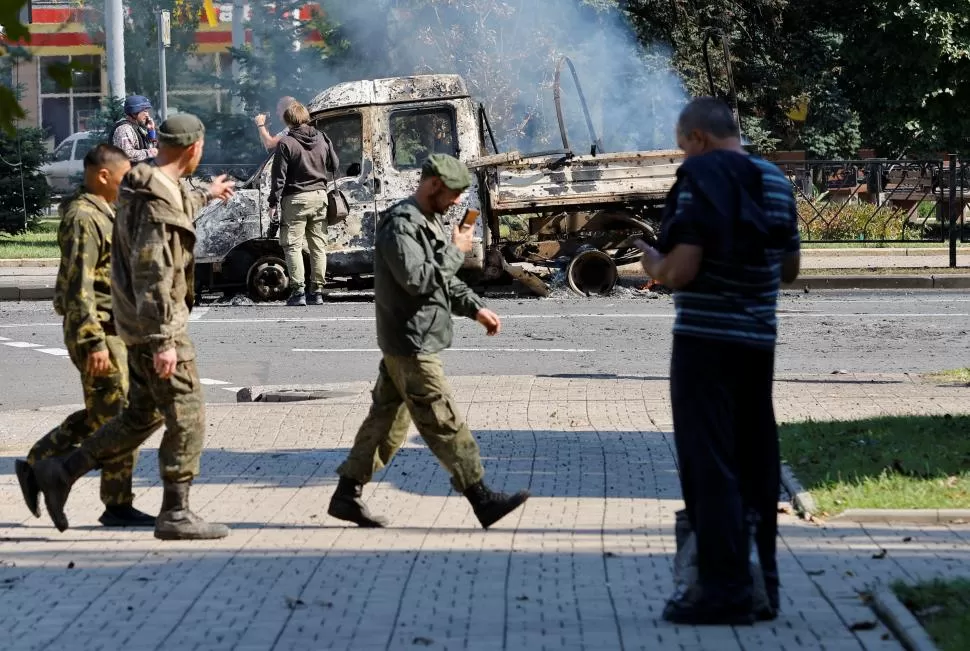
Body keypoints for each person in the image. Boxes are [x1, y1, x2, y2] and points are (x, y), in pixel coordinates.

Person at [31, 114, 236, 541]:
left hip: (135, 329)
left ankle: (61, 472)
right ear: (194, 149)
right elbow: (152, 272)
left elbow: (176, 206)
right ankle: (176, 513)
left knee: (140, 416)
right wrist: (163, 340)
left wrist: (209, 195)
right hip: (158, 329)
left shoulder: (145, 187)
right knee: (188, 417)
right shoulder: (145, 199)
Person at [637, 97, 801, 625]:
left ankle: (722, 590)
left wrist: (653, 263)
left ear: (699, 139)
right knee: (756, 459)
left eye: (683, 147)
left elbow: (683, 269)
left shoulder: (699, 177)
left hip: (704, 343)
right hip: (758, 340)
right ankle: (763, 588)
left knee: (710, 466)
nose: (683, 157)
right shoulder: (775, 180)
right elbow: (790, 268)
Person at [327, 154, 529, 530]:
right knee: (443, 419)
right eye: (453, 194)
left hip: (411, 340)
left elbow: (442, 278)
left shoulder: (428, 220)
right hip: (411, 343)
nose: (456, 203)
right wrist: (457, 251)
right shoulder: (400, 226)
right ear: (434, 184)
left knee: (385, 424)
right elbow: (418, 280)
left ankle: (346, 494)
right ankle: (481, 498)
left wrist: (474, 308)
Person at [14, 144, 155, 528]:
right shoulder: (83, 217)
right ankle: (117, 503)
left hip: (114, 328)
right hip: (96, 331)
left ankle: (35, 464)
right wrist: (92, 341)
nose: (129, 183)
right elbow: (77, 284)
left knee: (106, 413)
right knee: (118, 415)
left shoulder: (107, 212)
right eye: (124, 176)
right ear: (103, 175)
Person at [268, 101, 339, 306]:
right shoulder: (322, 137)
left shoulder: (286, 143)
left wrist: (273, 202)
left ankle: (298, 292)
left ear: (288, 120)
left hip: (295, 199)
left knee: (292, 245)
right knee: (318, 246)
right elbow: (334, 165)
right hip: (319, 197)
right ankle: (316, 292)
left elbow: (279, 178)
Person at [110, 95, 158, 163]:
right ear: (134, 113)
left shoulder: (138, 127)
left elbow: (151, 148)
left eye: (147, 111)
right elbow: (126, 154)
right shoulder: (124, 129)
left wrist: (151, 131)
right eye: (144, 111)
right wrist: (149, 153)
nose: (147, 115)